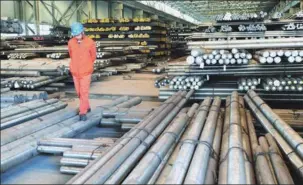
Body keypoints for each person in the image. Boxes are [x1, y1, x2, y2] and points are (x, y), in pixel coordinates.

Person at [68, 22, 96, 121]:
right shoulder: (71, 42)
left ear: (82, 32)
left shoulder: (90, 42)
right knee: (79, 92)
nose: (77, 36)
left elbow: (93, 56)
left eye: (79, 34)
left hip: (85, 72)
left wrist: (86, 64)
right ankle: (87, 106)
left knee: (84, 92)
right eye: (75, 35)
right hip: (75, 71)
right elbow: (71, 55)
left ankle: (83, 112)